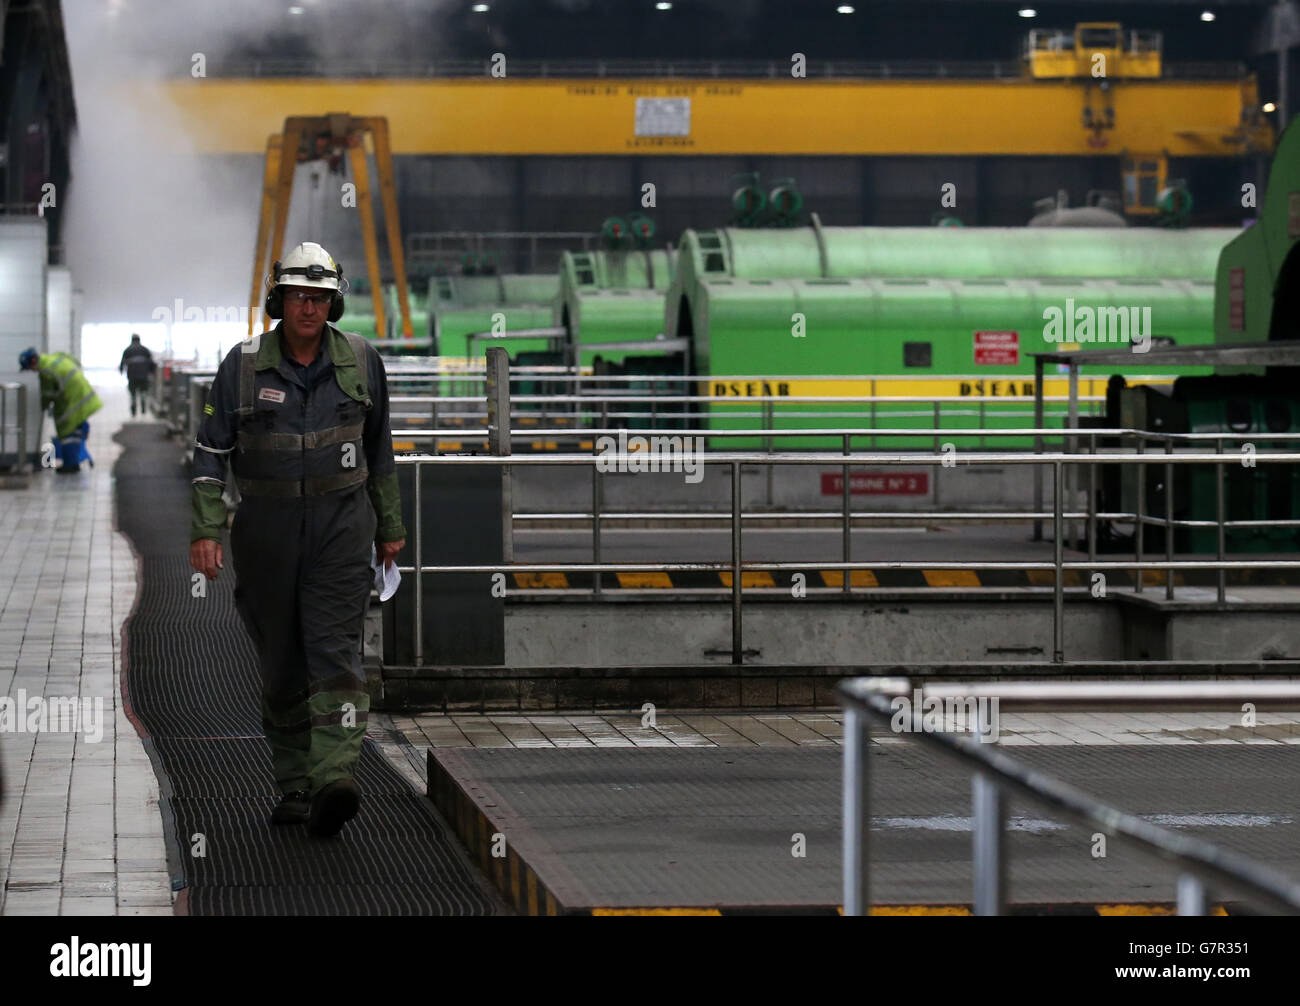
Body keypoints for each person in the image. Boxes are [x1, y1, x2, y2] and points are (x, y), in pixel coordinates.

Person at [187, 242, 406, 837]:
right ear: (278, 299)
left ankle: (335, 775)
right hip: (267, 536)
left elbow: (380, 449)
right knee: (282, 662)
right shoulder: (242, 365)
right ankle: (295, 784)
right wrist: (205, 531)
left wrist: (390, 528)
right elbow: (210, 454)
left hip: (341, 530)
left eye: (319, 297)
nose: (308, 307)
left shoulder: (361, 360)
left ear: (333, 303)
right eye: (297, 296)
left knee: (336, 652)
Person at [18, 346, 102, 474]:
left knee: (67, 431)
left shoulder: (45, 371)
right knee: (75, 429)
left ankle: (71, 465)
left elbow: (47, 395)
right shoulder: (55, 357)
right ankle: (73, 461)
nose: (32, 371)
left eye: (30, 368)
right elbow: (75, 362)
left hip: (73, 398)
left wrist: (44, 406)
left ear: (33, 361)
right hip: (84, 392)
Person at [119, 333, 156, 417]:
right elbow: (151, 362)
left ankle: (133, 408)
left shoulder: (127, 350)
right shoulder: (145, 350)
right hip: (143, 376)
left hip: (132, 376)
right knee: (143, 392)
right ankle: (143, 407)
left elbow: (122, 362)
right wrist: (151, 372)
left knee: (133, 393)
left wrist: (121, 371)